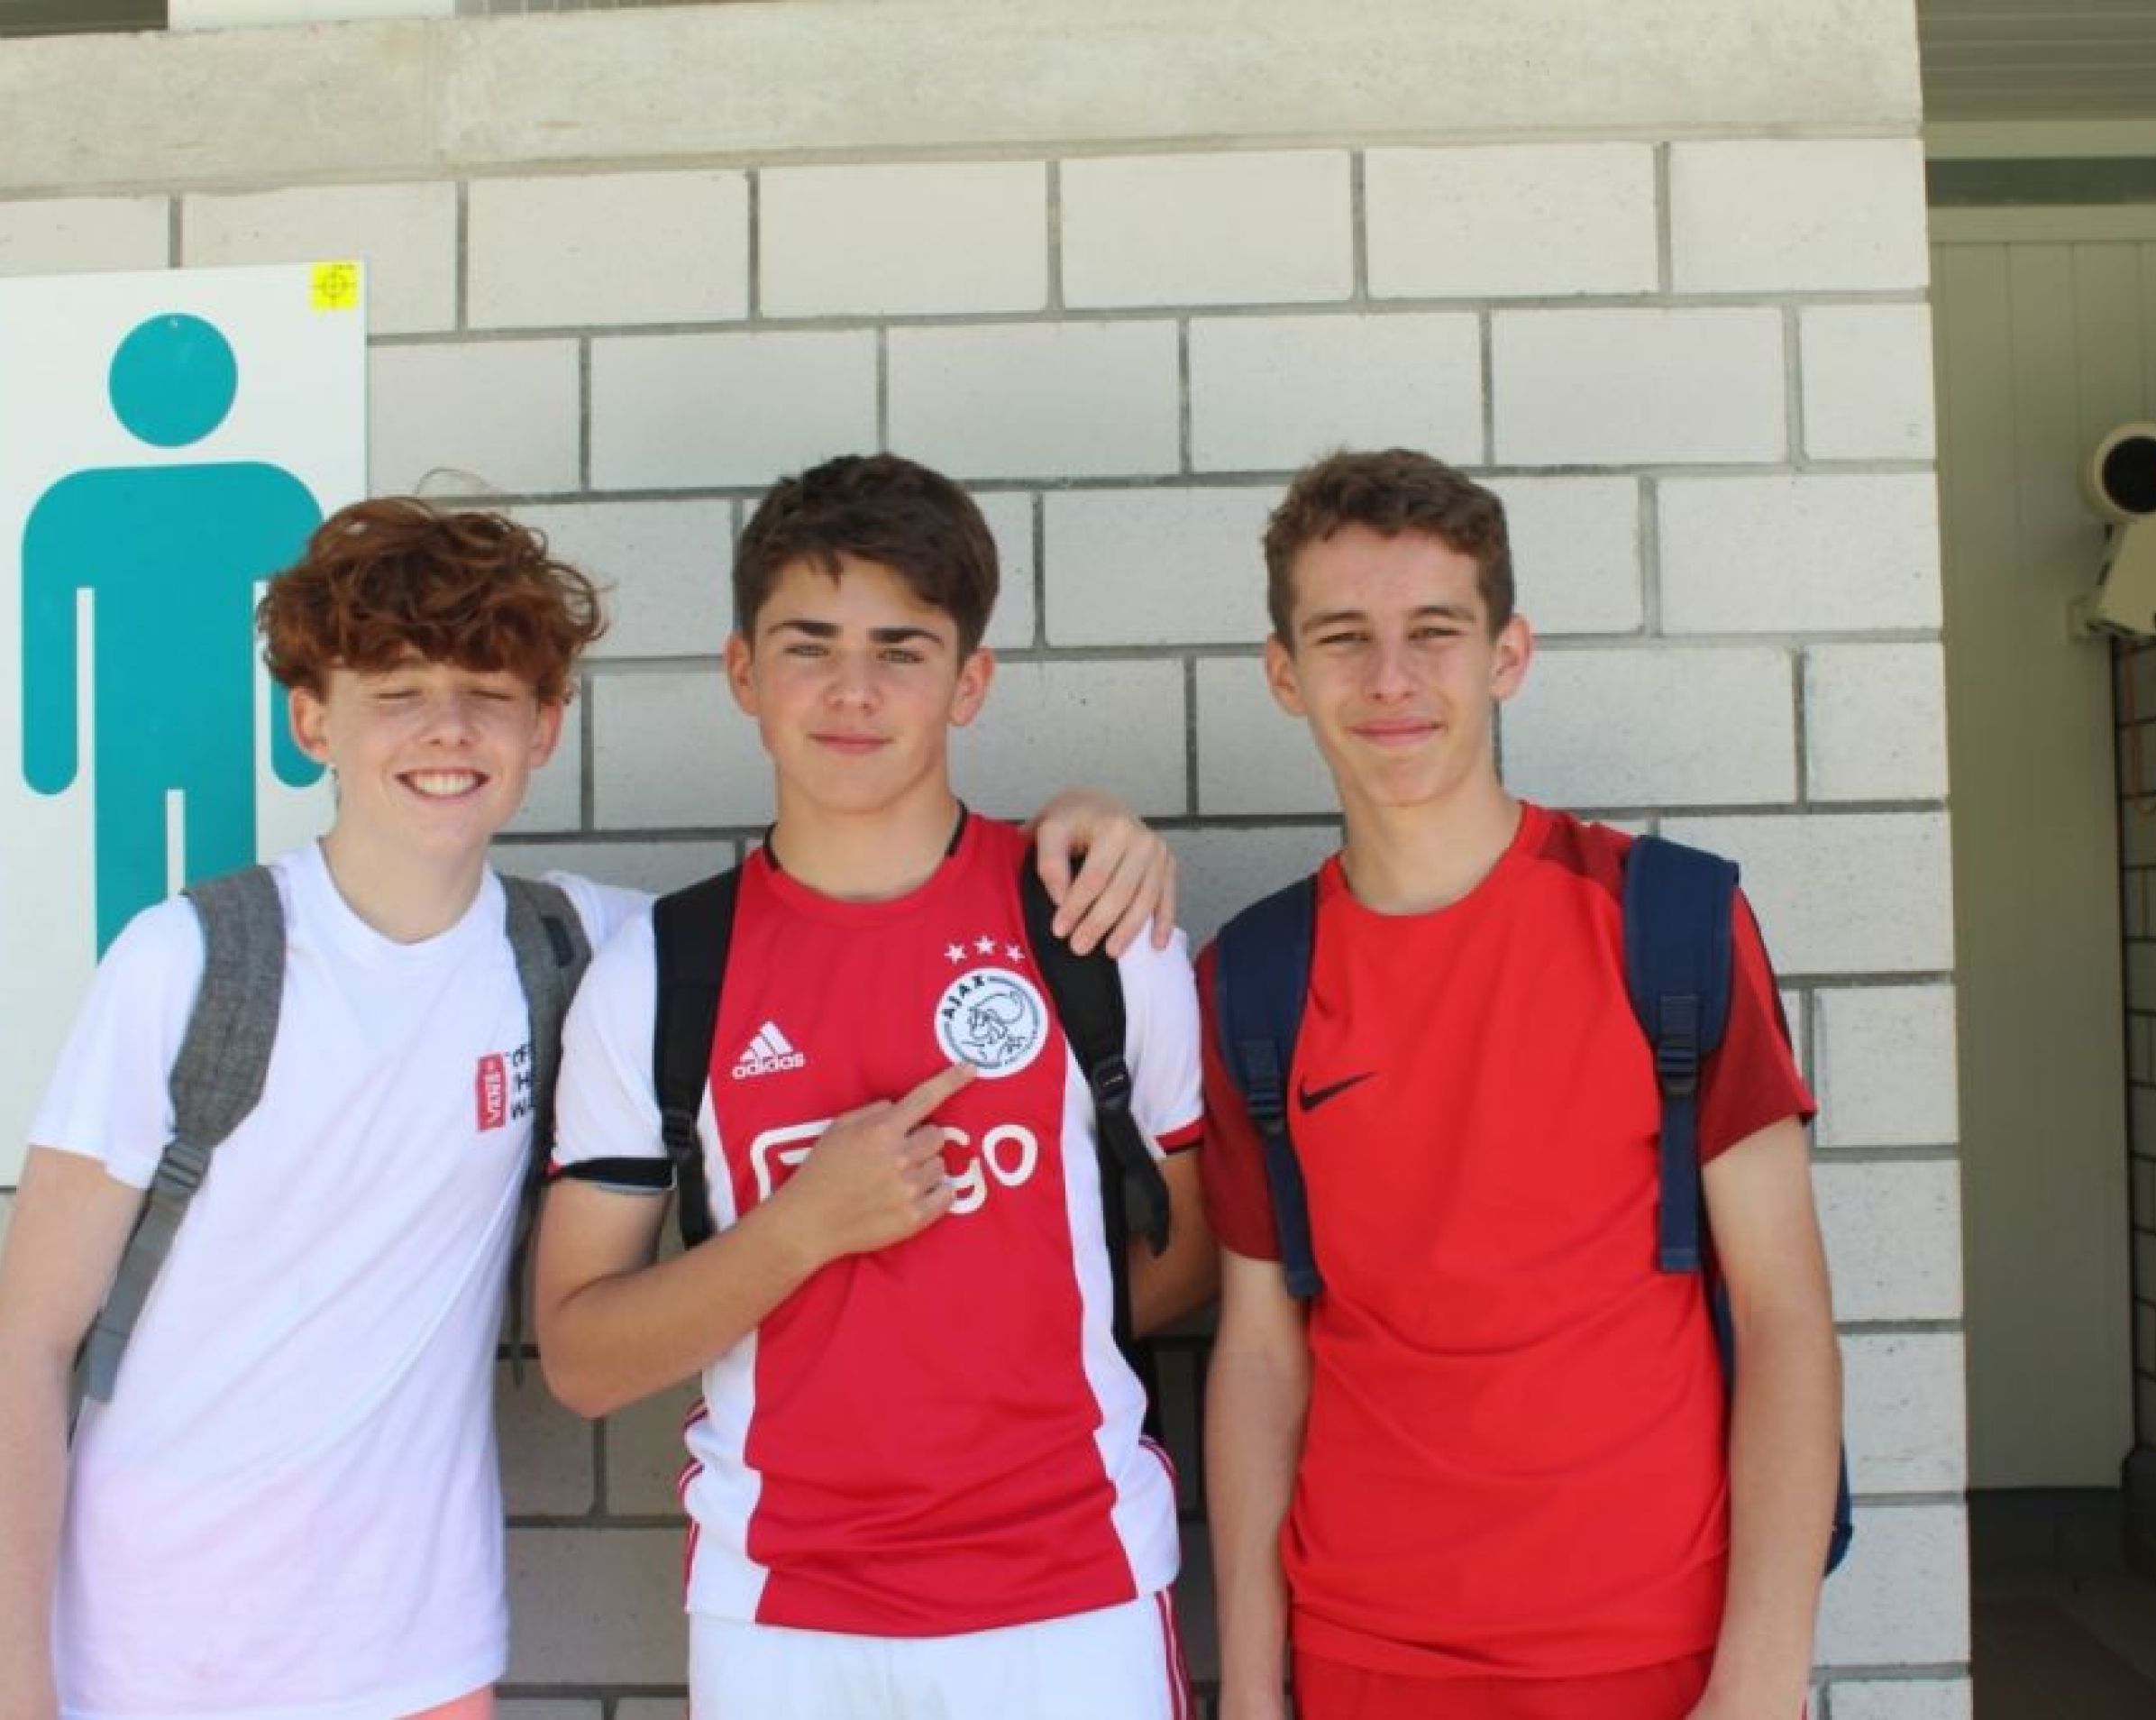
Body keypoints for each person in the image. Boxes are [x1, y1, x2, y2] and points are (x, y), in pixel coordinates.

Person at [0, 497, 1177, 1720]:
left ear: (548, 725)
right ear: (312, 720)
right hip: (143, 1643)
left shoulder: (580, 949)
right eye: (397, 692)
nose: (447, 730)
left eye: (489, 693)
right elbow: (26, 1343)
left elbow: (815, 921)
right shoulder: (193, 962)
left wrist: (1092, 827)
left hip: (417, 1643)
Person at [534, 453, 1215, 1720]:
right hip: (781, 1617)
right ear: (743, 672)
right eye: (809, 646)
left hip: (1071, 1597)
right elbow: (580, 1359)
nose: (853, 691)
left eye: (902, 650)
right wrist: (801, 1230)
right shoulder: (661, 972)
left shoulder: (1094, 928)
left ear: (970, 682)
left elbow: (1199, 1244)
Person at [1201, 450, 1841, 1720]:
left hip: (1650, 1648)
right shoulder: (1256, 977)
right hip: (1365, 1650)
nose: (1391, 679)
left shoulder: (1664, 923)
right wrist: (1256, 1688)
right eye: (1343, 638)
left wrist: (1762, 1679)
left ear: (1508, 655)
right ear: (1284, 673)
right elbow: (1262, 1352)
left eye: (1435, 632)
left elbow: (1783, 1315)